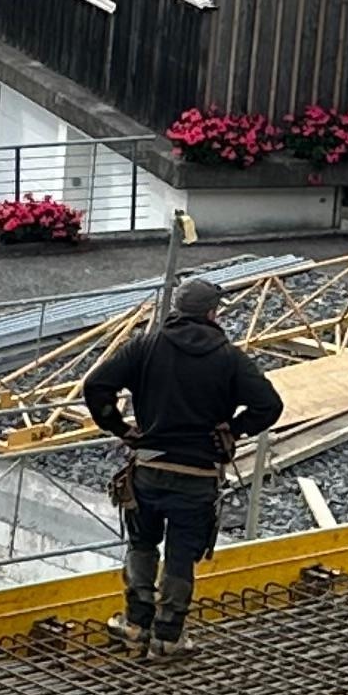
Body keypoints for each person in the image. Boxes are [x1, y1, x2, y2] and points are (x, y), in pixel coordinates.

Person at [81, 275, 284, 656]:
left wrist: (120, 428)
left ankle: (135, 625)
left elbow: (96, 387)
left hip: (149, 469)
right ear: (212, 313)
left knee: (142, 544)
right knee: (180, 555)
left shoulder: (145, 346)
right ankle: (168, 637)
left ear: (176, 309)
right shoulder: (229, 358)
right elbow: (269, 406)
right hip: (197, 476)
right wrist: (234, 429)